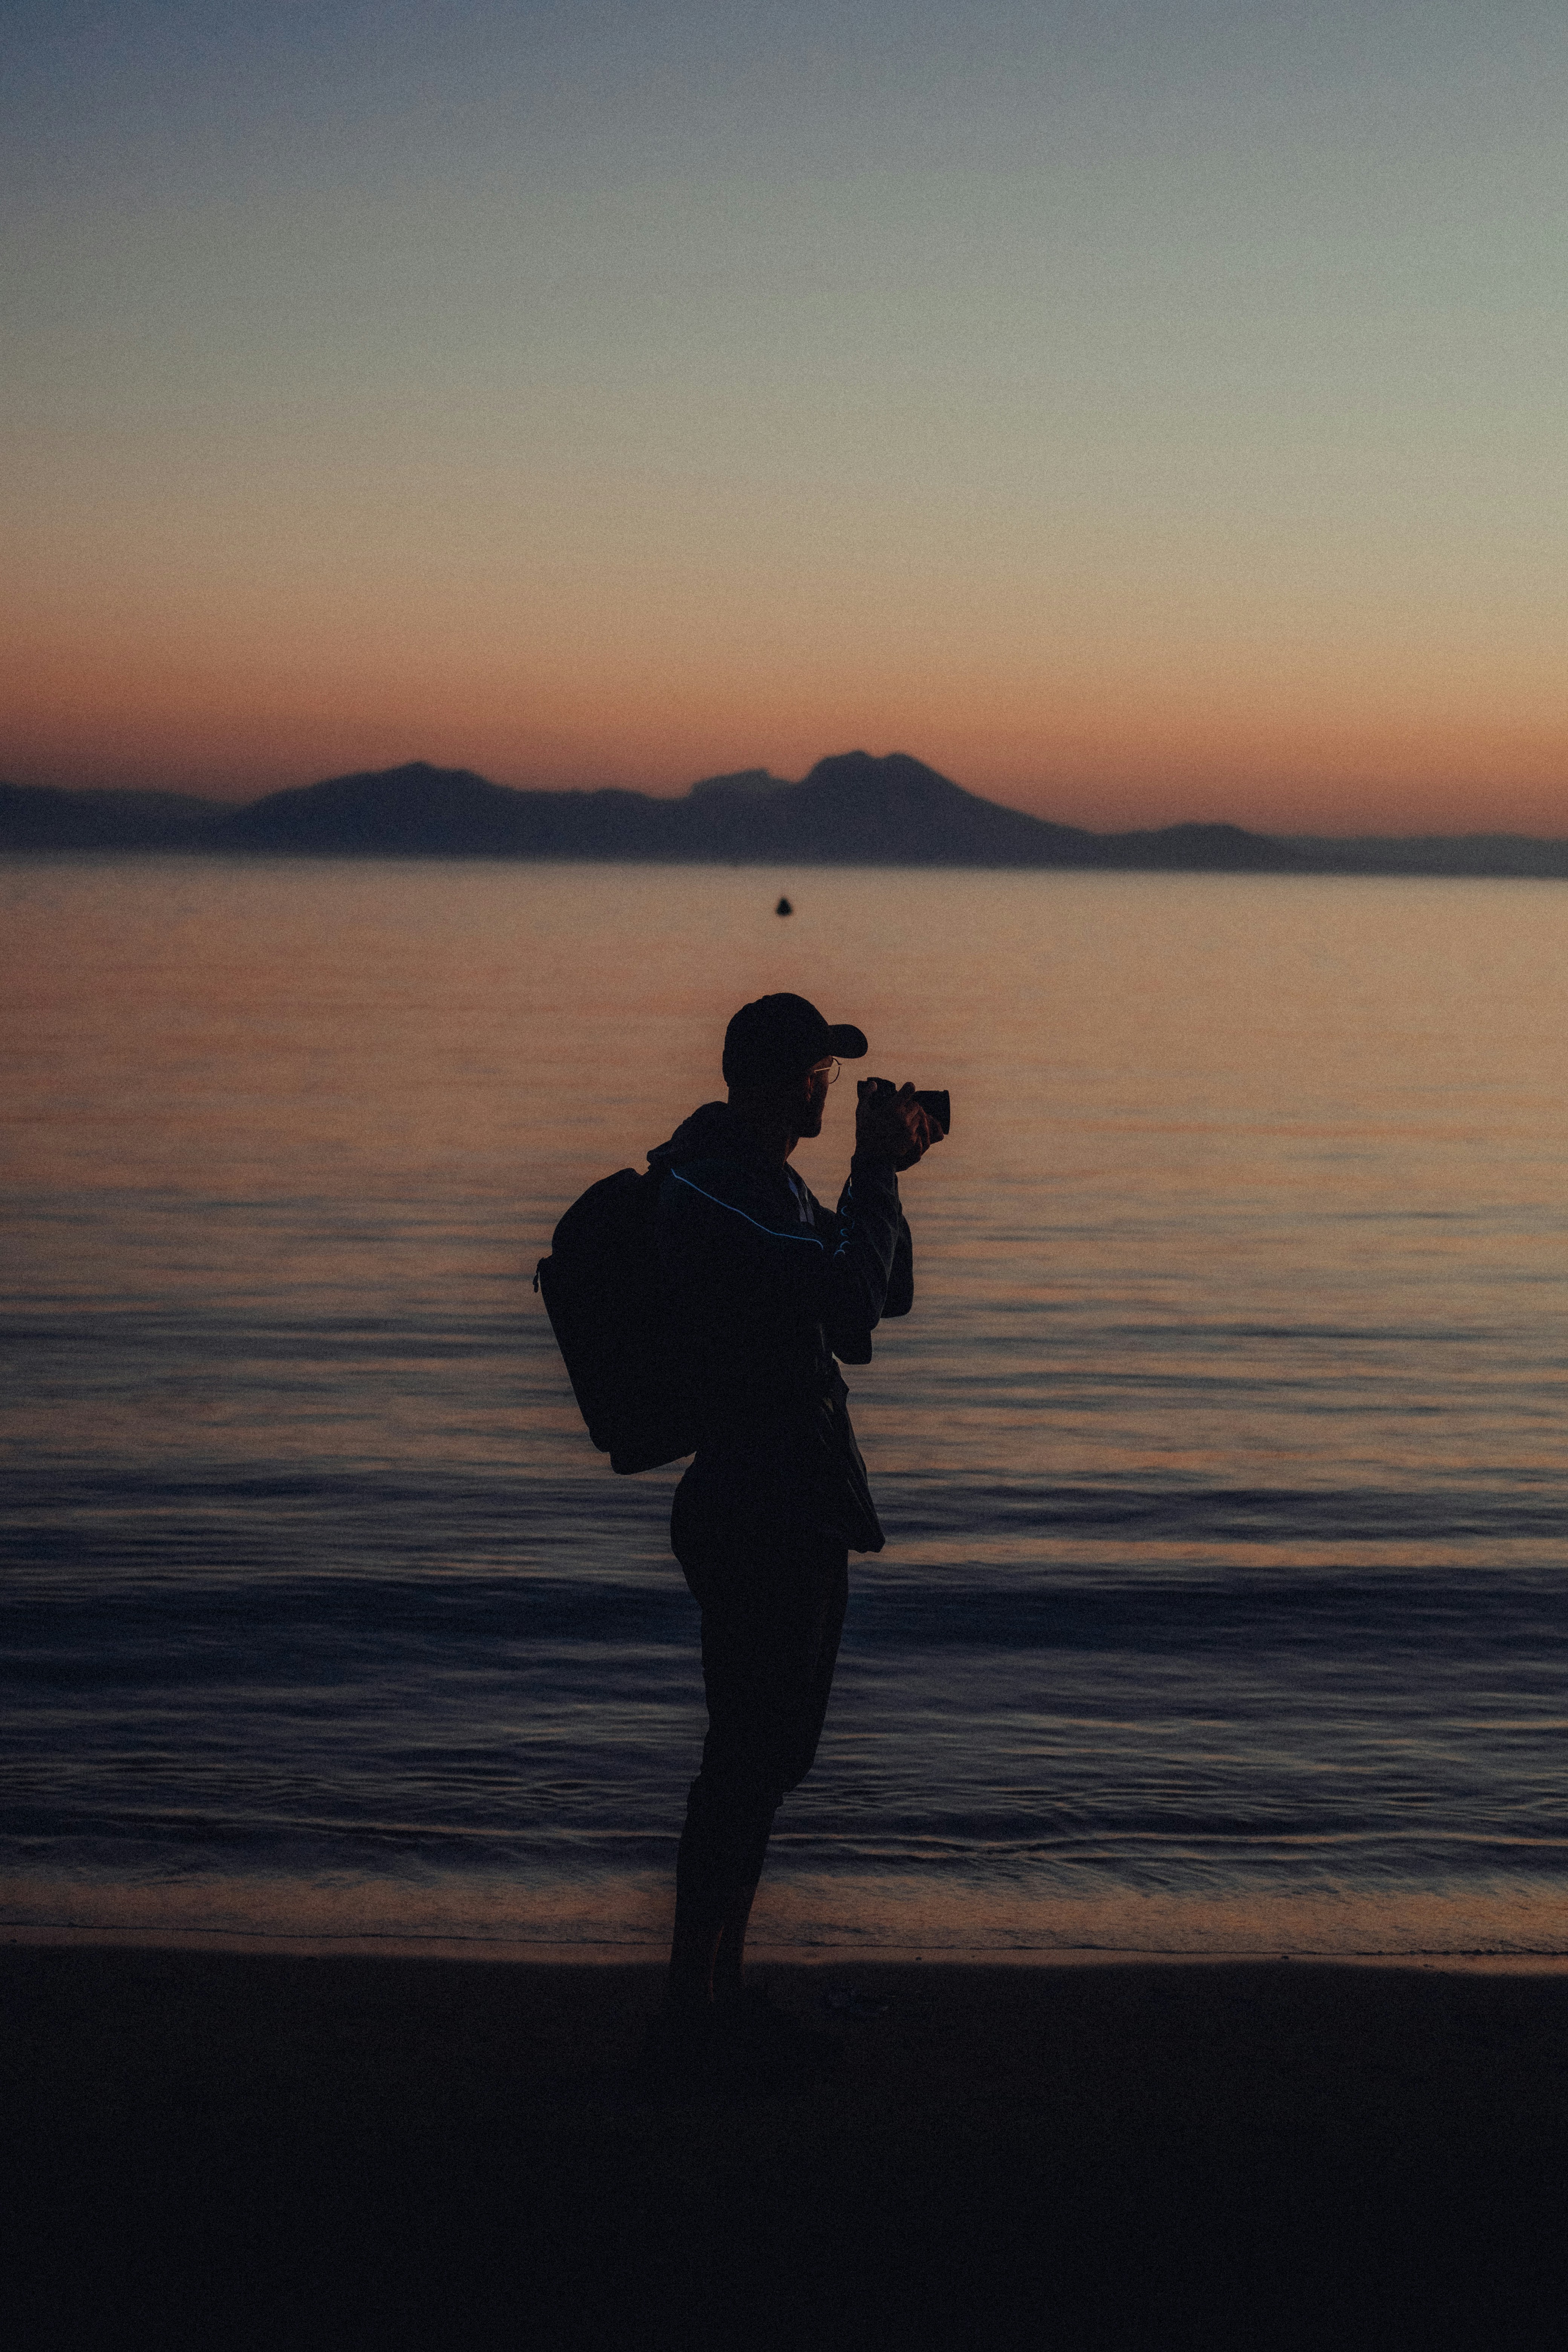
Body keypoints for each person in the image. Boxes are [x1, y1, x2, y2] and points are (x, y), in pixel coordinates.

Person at [640, 991, 940, 2089]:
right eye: (821, 1071)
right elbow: (846, 1286)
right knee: (743, 1765)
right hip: (757, 1503)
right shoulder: (720, 1187)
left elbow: (873, 1306)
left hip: (792, 1499)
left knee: (765, 1763)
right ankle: (694, 2001)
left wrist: (884, 1178)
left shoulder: (766, 1181)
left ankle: (712, 1993)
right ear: (777, 1079)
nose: (832, 1086)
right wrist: (874, 1174)